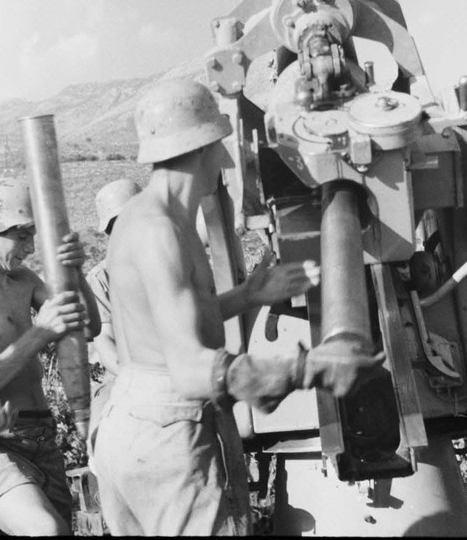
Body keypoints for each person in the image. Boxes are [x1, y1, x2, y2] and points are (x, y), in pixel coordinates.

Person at [94, 78, 383, 536]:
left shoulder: (142, 216)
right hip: (173, 429)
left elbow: (167, 323)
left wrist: (248, 295)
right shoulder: (162, 232)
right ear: (205, 146)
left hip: (129, 422)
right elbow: (189, 370)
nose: (228, 158)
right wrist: (308, 369)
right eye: (221, 144)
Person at [0, 176, 101, 537]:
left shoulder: (24, 280)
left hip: (44, 437)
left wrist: (75, 274)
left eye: (32, 234)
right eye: (20, 235)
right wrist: (39, 333)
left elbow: (87, 328)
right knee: (45, 530)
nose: (31, 246)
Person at [86, 177, 142, 463]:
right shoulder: (101, 278)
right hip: (121, 375)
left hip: (176, 367)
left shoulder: (172, 261)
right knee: (102, 439)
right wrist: (133, 377)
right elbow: (105, 338)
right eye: (115, 226)